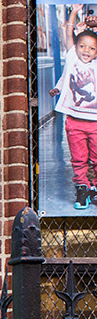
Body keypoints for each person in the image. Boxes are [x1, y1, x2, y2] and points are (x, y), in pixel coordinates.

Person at [57, 25, 97, 207]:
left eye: (92, 48)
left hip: (95, 123)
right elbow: (67, 35)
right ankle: (82, 188)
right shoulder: (73, 59)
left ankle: (94, 187)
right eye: (82, 46)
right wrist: (73, 14)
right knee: (79, 158)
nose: (86, 50)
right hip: (75, 122)